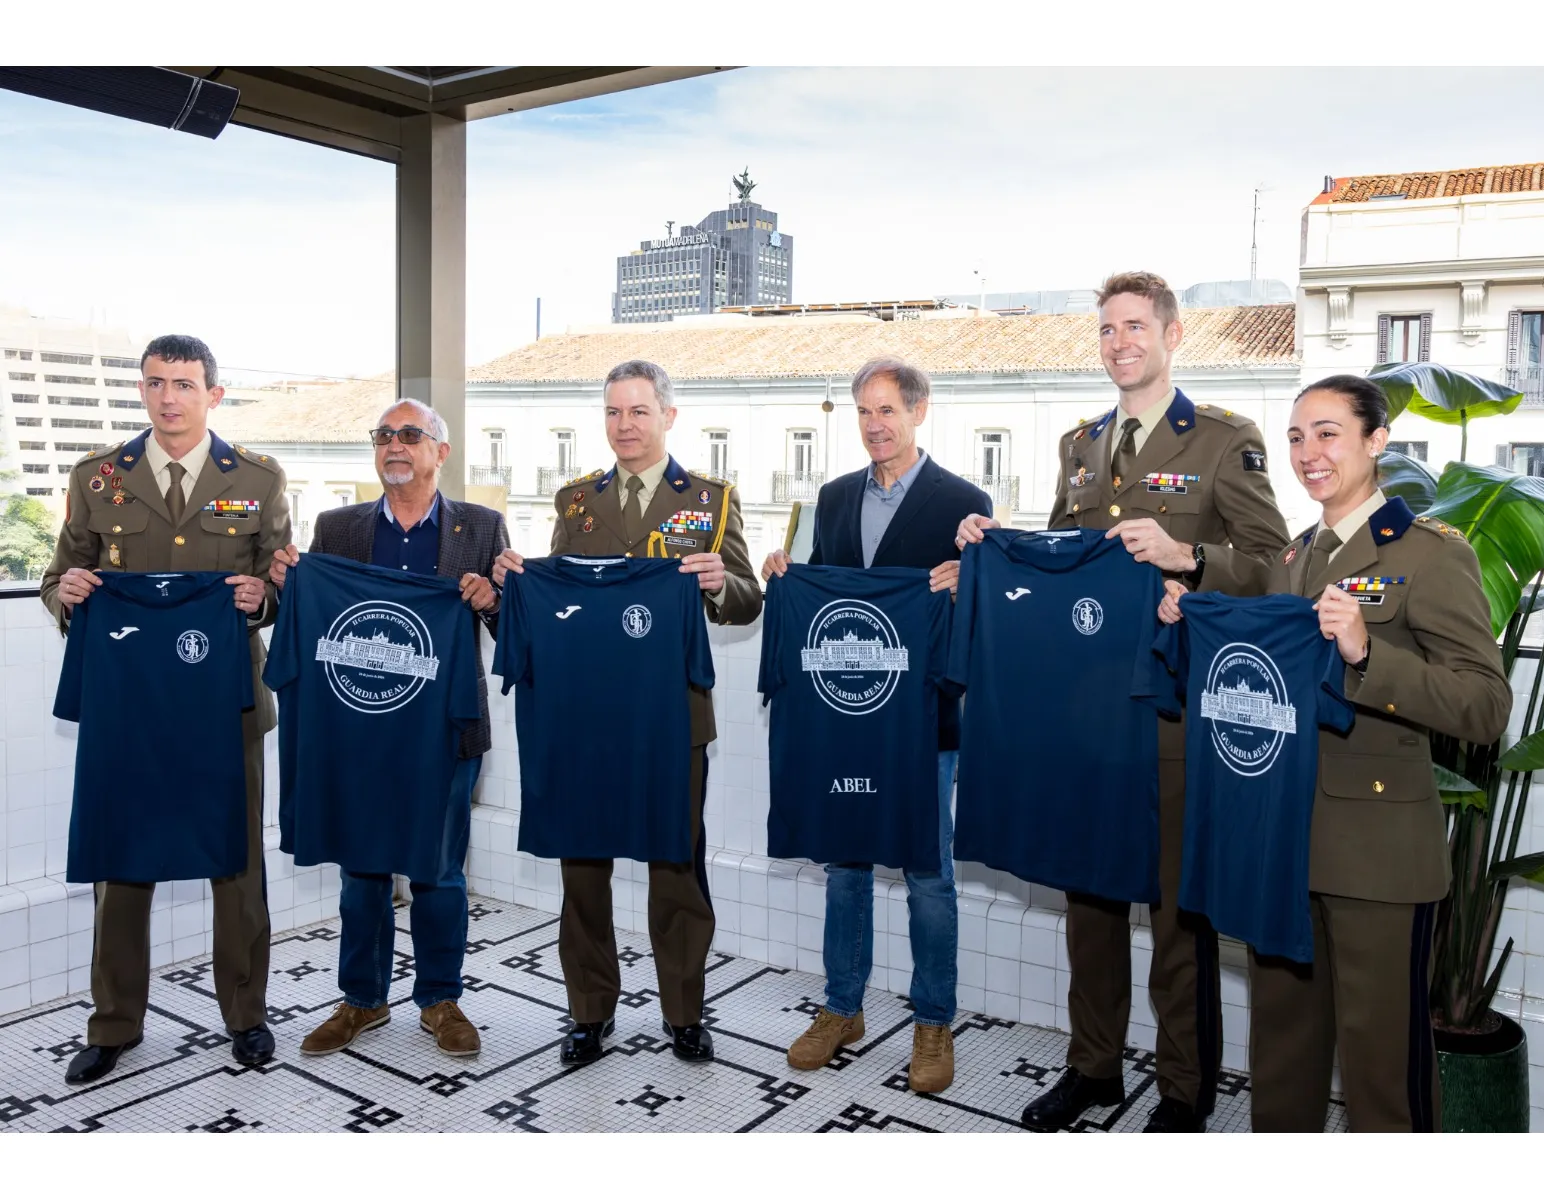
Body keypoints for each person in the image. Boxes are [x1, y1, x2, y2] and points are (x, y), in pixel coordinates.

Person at [954, 271, 1289, 1132]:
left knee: (1178, 916)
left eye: (1134, 326)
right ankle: (1094, 1067)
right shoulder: (1081, 444)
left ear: (1173, 336)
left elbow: (1272, 562)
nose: (1118, 343)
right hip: (1085, 713)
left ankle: (1183, 1092)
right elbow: (1067, 558)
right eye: (1106, 330)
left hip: (1174, 708)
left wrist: (1188, 557)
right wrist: (996, 546)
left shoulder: (1222, 439)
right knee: (1090, 903)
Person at [1157, 374, 1511, 1132]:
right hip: (1280, 845)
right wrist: (1190, 618)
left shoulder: (1430, 554)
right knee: (1282, 1059)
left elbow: (1485, 707)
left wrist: (1364, 655)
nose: (1307, 452)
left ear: (1376, 442)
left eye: (1327, 433)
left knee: (1383, 1070)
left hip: (1377, 856)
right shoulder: (1292, 558)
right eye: (1295, 436)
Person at [492, 359, 761, 1065]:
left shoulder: (709, 499)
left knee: (677, 866)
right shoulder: (576, 501)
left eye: (638, 412)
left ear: (668, 416)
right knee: (583, 869)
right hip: (584, 717)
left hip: (672, 717)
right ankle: (588, 1012)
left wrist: (719, 582)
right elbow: (560, 603)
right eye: (613, 412)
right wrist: (517, 586)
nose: (624, 426)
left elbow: (748, 599)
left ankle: (684, 1011)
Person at [40, 334, 290, 1084]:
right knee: (121, 864)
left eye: (184, 383)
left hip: (226, 706)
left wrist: (263, 598)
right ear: (142, 392)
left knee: (236, 863)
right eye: (155, 383)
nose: (168, 397)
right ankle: (114, 1023)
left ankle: (246, 1016)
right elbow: (59, 575)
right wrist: (68, 594)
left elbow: (277, 579)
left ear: (213, 393)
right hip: (130, 710)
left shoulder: (257, 478)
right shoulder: (97, 479)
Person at [763, 357, 990, 1094]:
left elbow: (987, 617)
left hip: (925, 723)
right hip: (847, 718)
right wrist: (786, 572)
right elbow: (826, 596)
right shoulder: (830, 500)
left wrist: (966, 587)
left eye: (887, 410)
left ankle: (933, 1022)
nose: (873, 425)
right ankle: (842, 1006)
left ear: (919, 413)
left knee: (929, 873)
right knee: (844, 864)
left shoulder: (964, 501)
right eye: (863, 411)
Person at [269, 399, 508, 1060]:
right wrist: (289, 583)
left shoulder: (481, 528)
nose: (394, 445)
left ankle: (439, 999)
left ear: (440, 452)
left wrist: (494, 601)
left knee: (439, 872)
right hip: (360, 733)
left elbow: (510, 627)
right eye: (383, 435)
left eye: (409, 434)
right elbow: (320, 622)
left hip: (445, 736)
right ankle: (363, 1000)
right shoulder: (338, 527)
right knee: (363, 869)